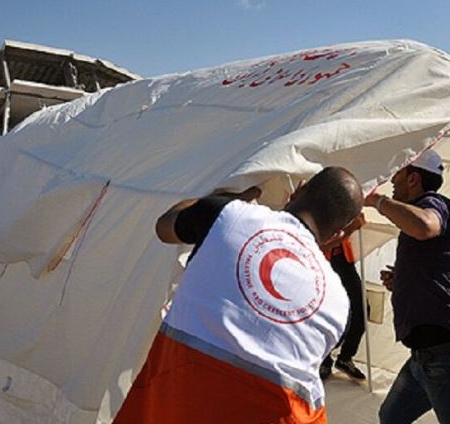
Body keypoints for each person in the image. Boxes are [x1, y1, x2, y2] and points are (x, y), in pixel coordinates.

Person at [115, 167, 364, 424]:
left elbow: (165, 226)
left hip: (178, 401)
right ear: (337, 235)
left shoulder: (229, 214)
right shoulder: (339, 300)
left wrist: (226, 199)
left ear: (299, 189)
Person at [366, 150, 450, 424]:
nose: (393, 181)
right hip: (424, 360)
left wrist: (377, 200)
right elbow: (439, 261)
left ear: (413, 178)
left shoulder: (434, 204)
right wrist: (404, 281)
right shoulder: (424, 212)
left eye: (398, 174)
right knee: (390, 418)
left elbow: (425, 226)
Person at [319, 215, 367, 381]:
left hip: (343, 258)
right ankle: (323, 359)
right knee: (324, 310)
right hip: (321, 260)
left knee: (361, 307)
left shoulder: (342, 195)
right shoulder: (309, 195)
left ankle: (345, 357)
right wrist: (350, 228)